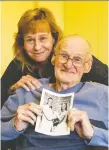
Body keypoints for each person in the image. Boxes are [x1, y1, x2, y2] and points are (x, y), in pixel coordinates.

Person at [1, 35, 108, 150]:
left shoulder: (103, 94)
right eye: (63, 56)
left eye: (77, 59)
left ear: (87, 66)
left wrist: (93, 133)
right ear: (53, 58)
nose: (68, 65)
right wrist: (14, 125)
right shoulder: (28, 89)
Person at [1, 8, 108, 110]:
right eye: (30, 40)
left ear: (54, 38)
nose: (37, 47)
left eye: (43, 38)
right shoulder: (18, 63)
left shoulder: (76, 58)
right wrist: (12, 89)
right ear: (22, 43)